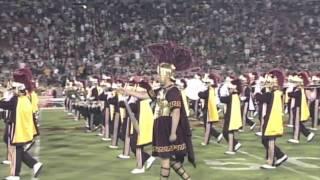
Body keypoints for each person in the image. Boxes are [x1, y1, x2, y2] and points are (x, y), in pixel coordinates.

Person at [119, 62, 195, 180]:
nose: (157, 77)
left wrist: (173, 132)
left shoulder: (173, 91)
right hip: (161, 126)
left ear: (166, 75)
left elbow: (176, 112)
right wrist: (128, 92)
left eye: (159, 74)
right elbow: (145, 95)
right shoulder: (161, 90)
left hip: (168, 127)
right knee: (169, 159)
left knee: (165, 159)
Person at [0, 69, 43, 180]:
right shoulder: (25, 94)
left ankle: (16, 174)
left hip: (18, 122)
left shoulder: (19, 94)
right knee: (18, 148)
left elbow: (7, 103)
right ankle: (33, 165)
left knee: (15, 147)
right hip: (22, 121)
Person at [256, 70, 288, 169]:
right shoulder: (275, 92)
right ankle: (280, 155)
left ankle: (271, 162)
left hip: (272, 120)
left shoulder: (274, 93)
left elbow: (260, 98)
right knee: (265, 140)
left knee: (269, 140)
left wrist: (258, 89)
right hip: (270, 118)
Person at [220, 79, 243, 155]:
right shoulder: (235, 95)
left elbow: (223, 99)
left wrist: (221, 91)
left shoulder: (233, 95)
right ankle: (235, 144)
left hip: (231, 116)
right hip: (231, 115)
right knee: (227, 132)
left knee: (228, 132)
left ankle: (231, 149)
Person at [198, 73, 223, 146]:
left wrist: (201, 89)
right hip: (209, 108)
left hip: (209, 109)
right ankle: (217, 135)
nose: (206, 83)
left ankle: (208, 140)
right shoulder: (211, 89)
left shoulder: (210, 90)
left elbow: (201, 95)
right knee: (207, 126)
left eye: (207, 82)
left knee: (207, 126)